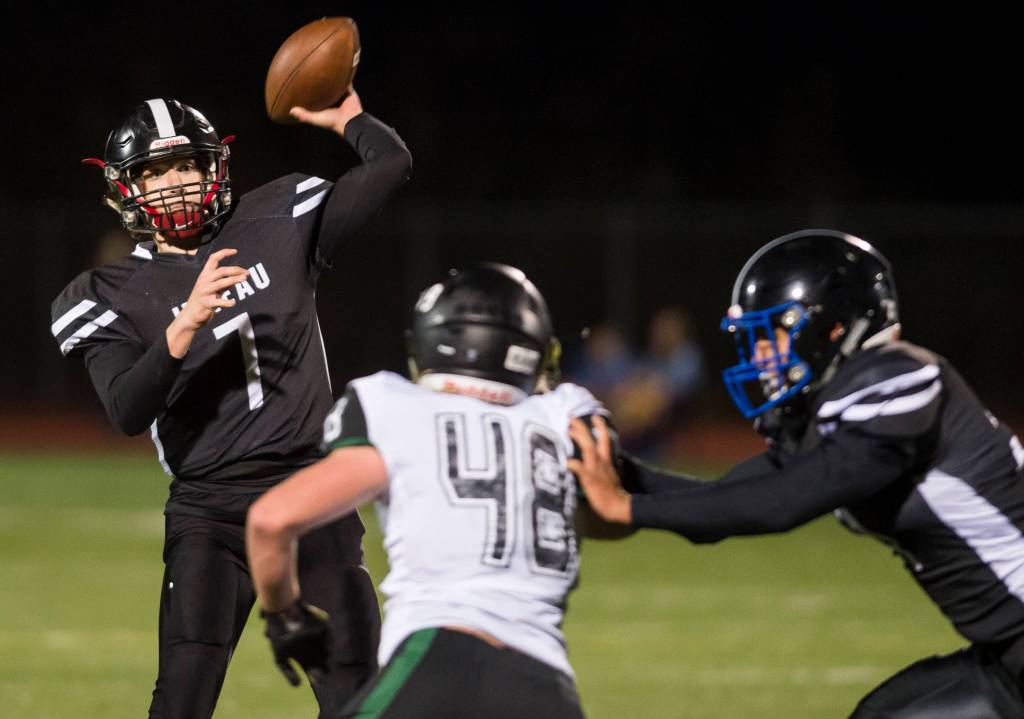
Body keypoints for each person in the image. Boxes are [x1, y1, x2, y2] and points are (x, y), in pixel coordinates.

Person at [50, 91, 411, 718]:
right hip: (210, 512)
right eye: (154, 172)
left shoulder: (279, 216)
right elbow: (127, 412)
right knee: (183, 697)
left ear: (214, 167)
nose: (174, 183)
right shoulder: (108, 291)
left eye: (186, 165)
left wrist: (348, 116)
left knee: (357, 694)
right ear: (124, 188)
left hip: (310, 496)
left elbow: (389, 165)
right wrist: (182, 327)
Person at [570, 229, 1024, 718]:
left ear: (832, 327)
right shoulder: (837, 412)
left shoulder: (899, 378)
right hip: (1007, 656)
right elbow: (729, 500)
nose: (762, 356)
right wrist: (611, 468)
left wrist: (625, 506)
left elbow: (782, 503)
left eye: (774, 336)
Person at [247, 263, 625, 718]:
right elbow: (612, 515)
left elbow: (271, 520)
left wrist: (286, 617)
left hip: (436, 658)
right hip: (546, 683)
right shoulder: (563, 416)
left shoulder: (397, 406)